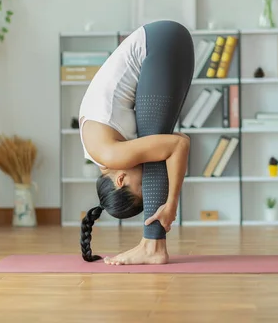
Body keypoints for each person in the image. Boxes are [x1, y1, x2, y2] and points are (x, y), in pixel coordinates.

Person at [78, 20, 194, 265]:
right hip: (166, 40)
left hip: (157, 45)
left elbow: (179, 146)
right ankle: (150, 245)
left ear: (120, 180)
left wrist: (171, 203)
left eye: (142, 186)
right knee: (158, 152)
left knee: (159, 156)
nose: (145, 176)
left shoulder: (112, 155)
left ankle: (153, 247)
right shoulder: (100, 151)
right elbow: (179, 141)